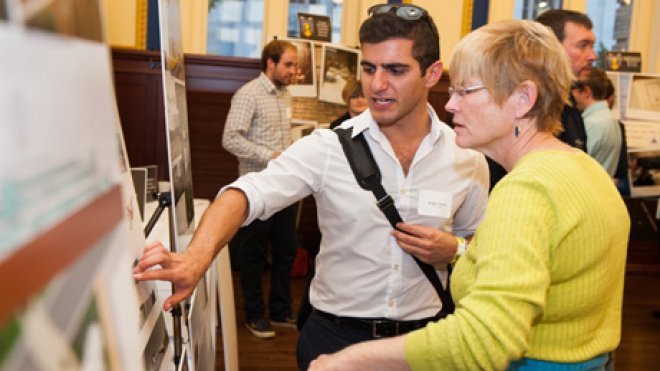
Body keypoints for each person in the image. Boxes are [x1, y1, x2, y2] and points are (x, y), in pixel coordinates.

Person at [133, 3, 489, 370]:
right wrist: (195, 258)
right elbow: (245, 194)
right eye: (369, 68)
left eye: (395, 70)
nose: (377, 84)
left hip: (426, 345)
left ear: (431, 74)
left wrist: (456, 249)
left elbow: (483, 247)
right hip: (334, 341)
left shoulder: (466, 158)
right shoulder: (329, 147)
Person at [308, 19, 630, 371]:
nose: (450, 105)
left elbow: (486, 340)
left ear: (523, 98)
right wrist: (459, 249)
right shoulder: (586, 170)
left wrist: (351, 359)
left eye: (465, 91)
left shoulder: (527, 189)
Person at [221, 39, 300, 339]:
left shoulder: (286, 95)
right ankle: (254, 315)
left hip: (287, 187)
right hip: (258, 187)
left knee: (286, 250)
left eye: (295, 65)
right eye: (289, 64)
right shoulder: (248, 94)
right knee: (253, 253)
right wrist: (270, 155)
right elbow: (230, 139)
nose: (294, 70)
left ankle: (280, 311)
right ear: (270, 63)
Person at [487, 9, 596, 189]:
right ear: (550, 47)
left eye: (592, 46)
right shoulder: (520, 108)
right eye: (582, 45)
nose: (593, 55)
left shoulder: (571, 109)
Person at [571, 67, 622, 176]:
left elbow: (574, 168)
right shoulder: (610, 119)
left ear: (586, 91)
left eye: (573, 89)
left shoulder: (592, 124)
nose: (571, 95)